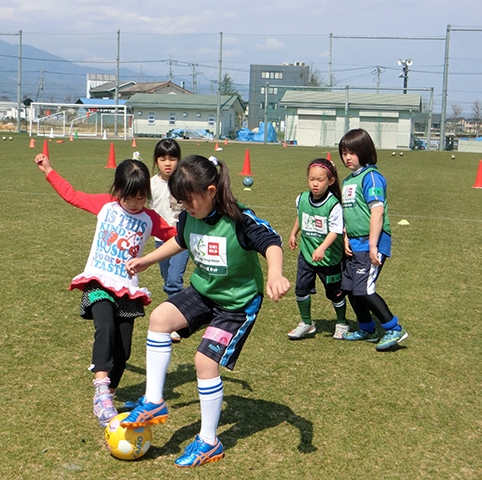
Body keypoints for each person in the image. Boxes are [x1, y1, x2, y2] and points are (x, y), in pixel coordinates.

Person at [123, 154, 290, 468]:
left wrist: (276, 274)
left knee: (204, 361)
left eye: (189, 200)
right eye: (181, 202)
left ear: (211, 192)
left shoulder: (239, 219)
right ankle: (154, 401)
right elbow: (180, 241)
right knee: (159, 318)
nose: (185, 207)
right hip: (203, 291)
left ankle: (209, 442)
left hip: (237, 304)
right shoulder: (189, 216)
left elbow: (271, 243)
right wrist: (148, 259)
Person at [34, 154, 176, 427]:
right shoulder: (106, 206)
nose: (134, 204)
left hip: (128, 289)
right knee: (106, 328)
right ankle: (100, 388)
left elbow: (176, 235)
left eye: (140, 198)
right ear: (117, 190)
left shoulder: (150, 219)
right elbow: (72, 195)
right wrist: (49, 170)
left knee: (123, 350)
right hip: (99, 281)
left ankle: (108, 397)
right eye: (128, 197)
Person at [338, 128, 408, 351]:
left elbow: (376, 212)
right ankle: (367, 328)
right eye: (344, 153)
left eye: (352, 152)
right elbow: (350, 212)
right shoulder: (349, 180)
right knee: (349, 288)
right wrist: (346, 236)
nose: (347, 157)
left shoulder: (371, 177)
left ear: (364, 151)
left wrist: (373, 245)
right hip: (355, 243)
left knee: (365, 289)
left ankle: (394, 328)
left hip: (372, 242)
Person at [287, 158, 348, 340]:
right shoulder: (302, 198)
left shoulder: (334, 205)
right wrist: (293, 233)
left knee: (334, 293)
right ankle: (306, 323)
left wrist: (322, 248)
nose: (315, 183)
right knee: (300, 289)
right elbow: (301, 216)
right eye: (311, 179)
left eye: (320, 180)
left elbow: (335, 231)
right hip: (307, 255)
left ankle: (342, 322)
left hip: (329, 257)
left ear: (330, 181)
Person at [149, 138, 189, 343]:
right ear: (156, 161)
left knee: (174, 280)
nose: (167, 163)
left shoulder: (184, 183)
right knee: (167, 281)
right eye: (162, 158)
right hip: (161, 240)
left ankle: (174, 324)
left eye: (172, 159)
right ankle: (182, 313)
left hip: (182, 240)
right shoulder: (151, 184)